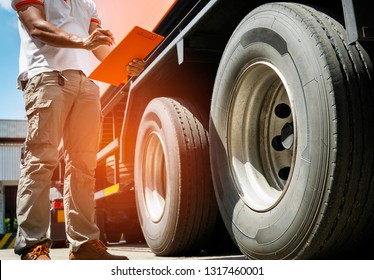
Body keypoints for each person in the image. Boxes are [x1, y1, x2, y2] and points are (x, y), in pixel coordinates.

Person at [11, 0, 145, 260]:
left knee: (84, 165)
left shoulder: (87, 4)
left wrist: (126, 65)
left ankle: (84, 244)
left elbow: (99, 45)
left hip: (86, 83)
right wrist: (83, 42)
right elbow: (37, 27)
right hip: (47, 76)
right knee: (40, 161)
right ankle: (32, 245)